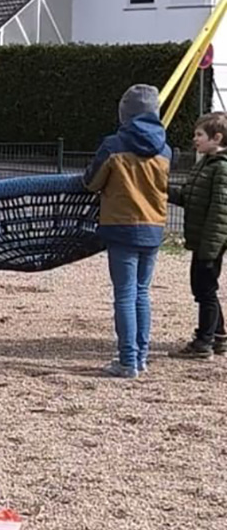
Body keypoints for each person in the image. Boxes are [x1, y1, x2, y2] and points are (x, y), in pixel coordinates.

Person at [83, 84, 171, 377]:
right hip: (154, 226)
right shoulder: (165, 150)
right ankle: (141, 357)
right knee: (142, 293)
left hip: (121, 226)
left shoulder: (113, 145)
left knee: (124, 294)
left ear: (124, 113)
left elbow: (91, 182)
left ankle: (127, 360)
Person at [168, 112, 227, 360]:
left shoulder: (221, 168)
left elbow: (220, 212)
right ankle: (219, 336)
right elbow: (188, 197)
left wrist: (210, 249)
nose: (195, 139)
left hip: (209, 242)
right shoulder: (205, 164)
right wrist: (163, 189)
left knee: (205, 290)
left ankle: (204, 342)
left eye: (199, 135)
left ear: (217, 138)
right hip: (202, 240)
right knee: (204, 287)